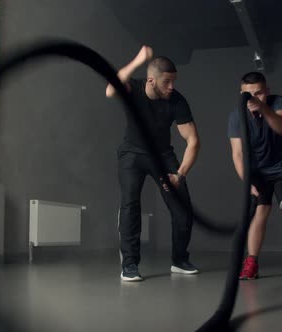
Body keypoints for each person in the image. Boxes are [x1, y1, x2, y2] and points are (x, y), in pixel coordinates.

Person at [105, 46, 201, 282]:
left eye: (174, 82)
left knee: (182, 208)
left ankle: (179, 259)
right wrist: (139, 59)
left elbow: (193, 140)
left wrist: (179, 174)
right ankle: (129, 264)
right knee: (130, 205)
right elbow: (110, 90)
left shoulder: (176, 100)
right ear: (151, 80)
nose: (172, 87)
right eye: (167, 82)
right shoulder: (133, 88)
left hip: (162, 156)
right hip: (132, 154)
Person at [228, 71, 282, 280]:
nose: (253, 98)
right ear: (241, 93)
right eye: (248, 94)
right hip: (258, 172)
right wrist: (247, 183)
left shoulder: (278, 102)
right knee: (260, 210)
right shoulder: (237, 115)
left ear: (267, 92)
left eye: (259, 94)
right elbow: (237, 153)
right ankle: (251, 262)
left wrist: (263, 108)